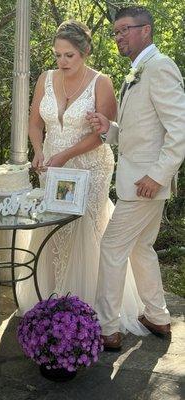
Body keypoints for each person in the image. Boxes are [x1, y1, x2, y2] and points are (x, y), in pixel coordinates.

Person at [16, 19, 149, 338]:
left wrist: (67, 154)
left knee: (84, 228)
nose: (61, 62)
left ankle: (90, 308)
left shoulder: (101, 82)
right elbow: (35, 123)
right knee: (54, 228)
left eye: (69, 56)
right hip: (51, 166)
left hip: (89, 166)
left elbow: (104, 134)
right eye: (57, 55)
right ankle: (51, 301)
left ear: (85, 52)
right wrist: (38, 151)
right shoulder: (45, 79)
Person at [87, 6, 185, 350]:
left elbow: (180, 130)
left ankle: (106, 328)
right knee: (141, 248)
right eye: (115, 32)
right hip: (139, 179)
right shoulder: (138, 70)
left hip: (144, 183)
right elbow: (142, 131)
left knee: (112, 248)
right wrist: (109, 129)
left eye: (125, 30)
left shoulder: (159, 67)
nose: (119, 37)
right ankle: (157, 317)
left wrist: (158, 176)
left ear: (146, 30)